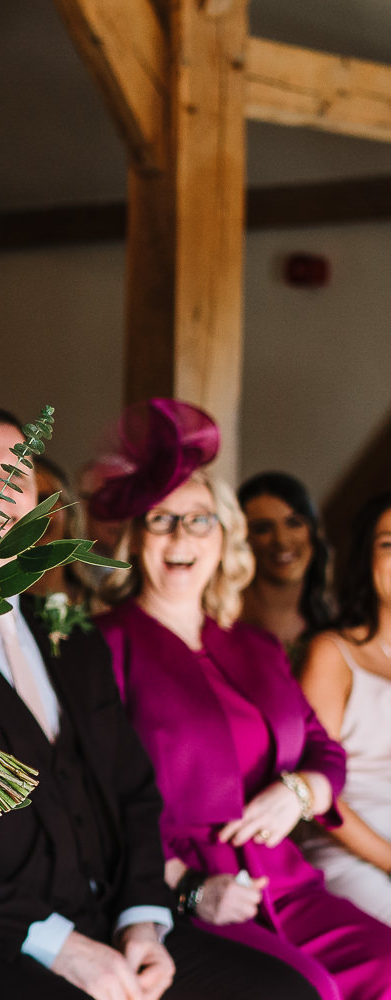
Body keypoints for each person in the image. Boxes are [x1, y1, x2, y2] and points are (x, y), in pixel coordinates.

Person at [0, 406, 314, 1000]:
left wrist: (144, 922)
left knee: (284, 992)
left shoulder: (70, 635)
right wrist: (60, 947)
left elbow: (133, 790)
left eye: (15, 474)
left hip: (112, 925)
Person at [93, 399, 391, 1000]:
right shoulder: (101, 646)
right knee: (306, 992)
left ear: (223, 537)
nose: (182, 536)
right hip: (183, 892)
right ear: (134, 536)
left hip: (290, 886)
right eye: (161, 520)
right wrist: (186, 886)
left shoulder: (256, 647)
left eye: (199, 520)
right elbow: (93, 799)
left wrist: (300, 789)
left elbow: (324, 751)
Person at [297, 492, 391, 923]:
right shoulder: (333, 654)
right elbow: (317, 790)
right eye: (388, 544)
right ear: (366, 559)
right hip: (350, 847)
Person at [237, 472, 334, 664]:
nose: (281, 540)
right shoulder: (224, 617)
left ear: (313, 530)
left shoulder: (335, 620)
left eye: (294, 523)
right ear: (243, 538)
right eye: (263, 528)